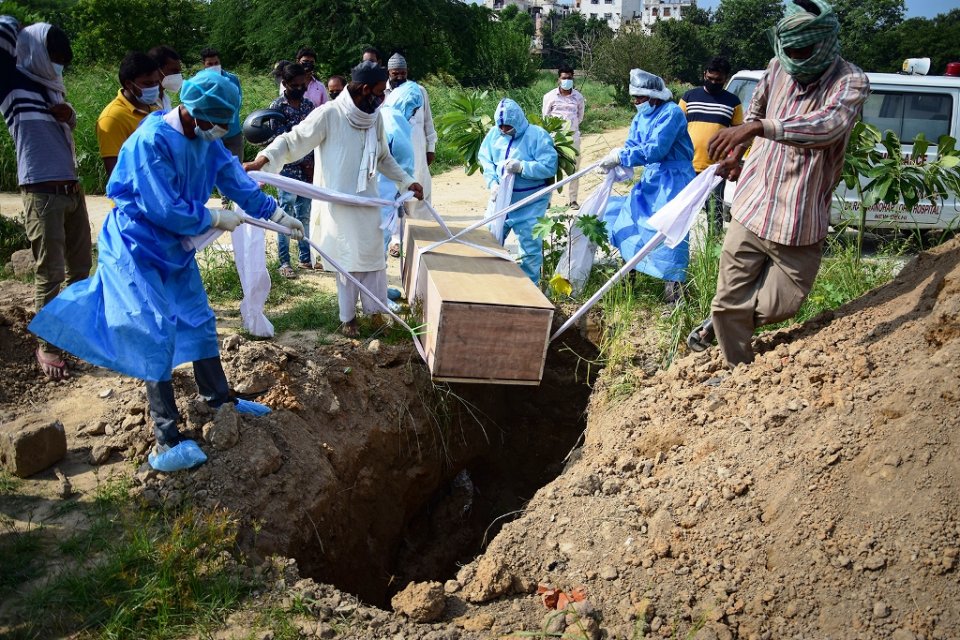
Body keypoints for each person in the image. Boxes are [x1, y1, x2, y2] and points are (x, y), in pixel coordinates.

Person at [28, 71, 305, 469]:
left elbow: (234, 178)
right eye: (215, 124)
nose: (218, 132)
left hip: (174, 247)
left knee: (199, 318)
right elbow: (163, 208)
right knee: (154, 329)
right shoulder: (151, 139)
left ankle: (219, 398)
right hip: (136, 245)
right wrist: (212, 218)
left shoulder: (206, 139)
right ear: (192, 111)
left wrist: (275, 213)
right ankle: (165, 439)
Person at [687, 0, 869, 367]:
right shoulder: (776, 67)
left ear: (825, 43)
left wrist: (761, 127)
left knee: (782, 304)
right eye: (789, 53)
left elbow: (827, 126)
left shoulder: (850, 81)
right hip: (753, 204)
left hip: (800, 216)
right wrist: (737, 153)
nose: (795, 62)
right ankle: (737, 371)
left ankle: (728, 325)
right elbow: (755, 110)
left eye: (803, 53)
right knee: (727, 301)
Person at [244, 61, 424, 338]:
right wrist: (263, 160)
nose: (382, 98)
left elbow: (384, 157)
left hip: (367, 202)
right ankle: (348, 319)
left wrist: (407, 181)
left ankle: (375, 314)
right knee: (347, 261)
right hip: (338, 206)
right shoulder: (329, 114)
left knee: (374, 260)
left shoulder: (374, 117)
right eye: (379, 92)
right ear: (365, 90)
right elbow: (293, 140)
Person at [1, 15, 91, 381]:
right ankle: (48, 346)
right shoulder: (10, 85)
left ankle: (73, 331)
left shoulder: (53, 87)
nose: (58, 63)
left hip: (72, 188)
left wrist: (68, 115)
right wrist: (14, 23)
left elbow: (66, 129)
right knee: (50, 274)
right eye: (53, 54)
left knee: (81, 270)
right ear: (33, 49)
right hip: (41, 193)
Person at [599, 69, 695, 305]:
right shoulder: (640, 116)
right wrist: (618, 157)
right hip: (653, 177)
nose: (636, 103)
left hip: (674, 179)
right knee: (630, 219)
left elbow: (656, 149)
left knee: (669, 232)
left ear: (654, 96)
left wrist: (623, 156)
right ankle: (628, 279)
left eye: (640, 99)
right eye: (635, 99)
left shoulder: (671, 113)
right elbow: (633, 143)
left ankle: (674, 295)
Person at [477, 98, 558, 283]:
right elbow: (485, 159)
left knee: (530, 249)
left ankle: (530, 289)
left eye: (508, 127)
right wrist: (492, 183)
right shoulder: (494, 135)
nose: (505, 130)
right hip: (501, 201)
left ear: (518, 121)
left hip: (530, 202)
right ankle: (490, 283)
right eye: (502, 126)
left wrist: (522, 167)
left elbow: (549, 166)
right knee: (488, 241)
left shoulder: (537, 136)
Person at [679, 56, 743, 233]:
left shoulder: (733, 102)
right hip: (686, 166)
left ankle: (712, 251)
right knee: (681, 212)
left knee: (714, 214)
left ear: (725, 79)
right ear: (704, 74)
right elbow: (675, 128)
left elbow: (740, 135)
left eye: (718, 80)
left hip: (716, 169)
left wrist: (733, 160)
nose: (713, 82)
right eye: (710, 78)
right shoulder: (689, 97)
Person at [268, 62, 316, 278]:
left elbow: (313, 137)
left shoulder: (309, 107)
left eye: (302, 84)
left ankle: (305, 259)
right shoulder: (276, 108)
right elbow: (277, 142)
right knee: (284, 215)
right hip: (287, 170)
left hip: (308, 171)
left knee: (304, 215)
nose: (300, 88)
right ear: (285, 84)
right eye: (295, 85)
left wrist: (311, 164)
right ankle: (284, 262)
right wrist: (301, 161)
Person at [385, 53, 437, 230]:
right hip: (393, 155)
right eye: (395, 73)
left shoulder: (419, 91)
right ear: (388, 73)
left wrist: (431, 147)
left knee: (419, 192)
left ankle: (422, 233)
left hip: (417, 152)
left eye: (403, 73)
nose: (399, 77)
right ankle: (395, 238)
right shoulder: (382, 93)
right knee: (394, 194)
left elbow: (428, 122)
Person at [95, 51, 161, 178]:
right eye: (147, 84)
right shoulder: (112, 118)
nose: (154, 88)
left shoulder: (155, 109)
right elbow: (116, 174)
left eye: (156, 82)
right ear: (129, 84)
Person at [378, 80, 422, 254]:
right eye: (413, 109)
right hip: (385, 188)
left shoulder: (381, 114)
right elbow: (404, 161)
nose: (413, 113)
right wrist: (408, 186)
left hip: (374, 187)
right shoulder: (396, 120)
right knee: (380, 239)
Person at [542, 64, 585, 209]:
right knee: (551, 169)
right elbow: (545, 117)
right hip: (554, 139)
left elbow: (580, 117)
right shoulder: (549, 97)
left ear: (573, 78)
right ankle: (547, 200)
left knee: (574, 169)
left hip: (573, 138)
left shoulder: (578, 97)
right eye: (564, 78)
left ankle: (572, 200)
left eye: (570, 78)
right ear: (558, 79)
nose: (567, 80)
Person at [200, 47, 244, 161]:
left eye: (216, 63)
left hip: (233, 133)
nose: (214, 66)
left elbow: (237, 102)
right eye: (210, 64)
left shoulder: (232, 79)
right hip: (211, 135)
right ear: (204, 64)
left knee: (236, 169)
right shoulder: (198, 82)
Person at [148, 45, 183, 111]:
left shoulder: (165, 99)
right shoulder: (144, 100)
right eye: (174, 71)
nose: (178, 75)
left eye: (179, 72)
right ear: (157, 70)